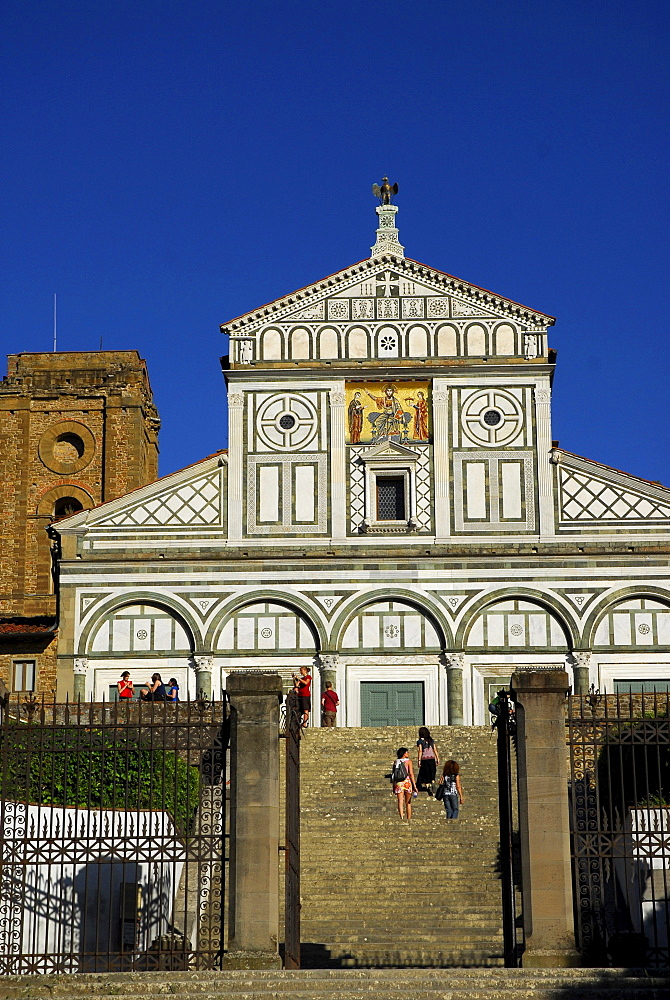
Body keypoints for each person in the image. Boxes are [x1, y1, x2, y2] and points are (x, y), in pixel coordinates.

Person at [392, 747, 418, 821]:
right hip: (407, 782)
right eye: (407, 752)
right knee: (408, 802)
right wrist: (414, 785)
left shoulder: (396, 761)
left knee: (400, 801)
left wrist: (393, 785)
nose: (408, 753)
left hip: (399, 783)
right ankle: (408, 818)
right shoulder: (409, 761)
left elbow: (394, 774)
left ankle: (401, 817)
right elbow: (411, 774)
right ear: (404, 754)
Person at [416, 726, 439, 793]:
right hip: (431, 758)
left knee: (425, 772)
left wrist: (419, 761)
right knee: (432, 771)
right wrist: (437, 758)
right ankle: (432, 781)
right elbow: (435, 749)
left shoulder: (420, 741)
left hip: (424, 759)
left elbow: (420, 751)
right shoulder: (431, 740)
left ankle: (427, 785)